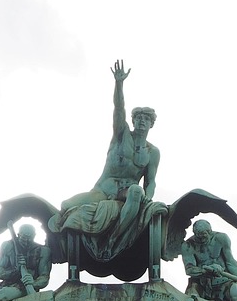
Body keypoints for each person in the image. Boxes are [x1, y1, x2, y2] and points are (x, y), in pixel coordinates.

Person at [50, 61, 166, 280]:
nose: (142, 121)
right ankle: (62, 249)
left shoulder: (153, 152)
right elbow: (118, 109)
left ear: (152, 124)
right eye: (139, 118)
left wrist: (147, 198)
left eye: (146, 119)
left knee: (137, 191)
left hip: (127, 192)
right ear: (133, 121)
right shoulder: (121, 134)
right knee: (66, 206)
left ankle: (114, 241)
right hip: (103, 190)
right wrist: (119, 84)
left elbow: (150, 181)